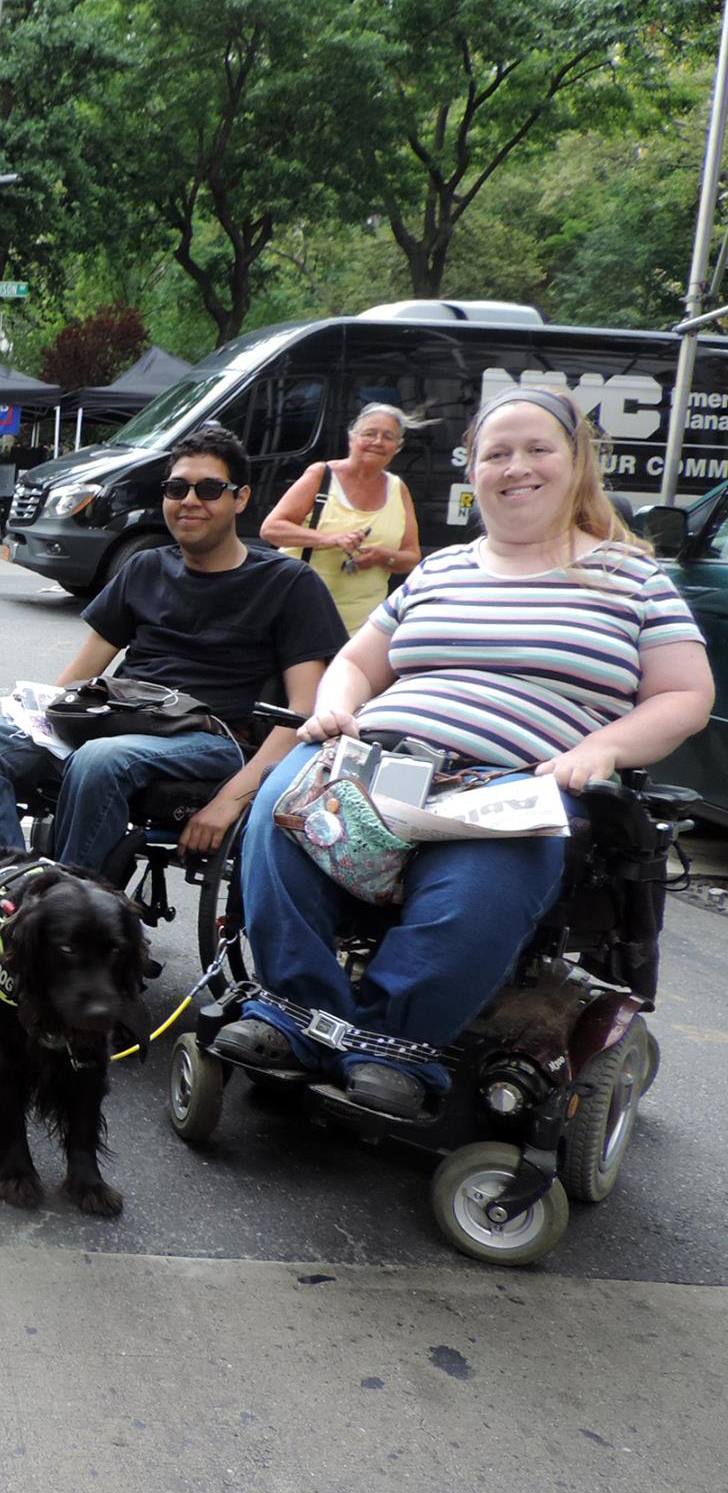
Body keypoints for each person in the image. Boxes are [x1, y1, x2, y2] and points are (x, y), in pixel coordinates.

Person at [213, 388, 713, 1117]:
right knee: (281, 812)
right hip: (381, 758)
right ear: (473, 472)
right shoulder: (439, 570)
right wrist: (338, 706)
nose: (517, 468)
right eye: (496, 454)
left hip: (508, 781)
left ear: (577, 463)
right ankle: (296, 1016)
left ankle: (392, 1046)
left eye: (538, 449)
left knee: (494, 873)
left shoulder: (633, 579)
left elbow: (683, 696)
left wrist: (603, 748)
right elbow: (356, 662)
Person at [0, 424, 346, 876]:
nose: (189, 500)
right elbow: (81, 673)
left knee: (100, 758)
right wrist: (37, 725)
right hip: (119, 716)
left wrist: (231, 802)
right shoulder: (145, 567)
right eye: (177, 488)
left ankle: (68, 915)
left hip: (210, 738)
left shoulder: (288, 583)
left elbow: (303, 712)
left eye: (209, 489)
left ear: (241, 499)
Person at [260, 402, 423, 634]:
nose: (378, 442)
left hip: (362, 627)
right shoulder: (322, 475)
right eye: (369, 434)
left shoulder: (398, 489)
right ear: (352, 438)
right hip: (300, 614)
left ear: (397, 446)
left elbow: (411, 557)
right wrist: (332, 540)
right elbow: (271, 529)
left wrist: (382, 557)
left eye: (388, 437)